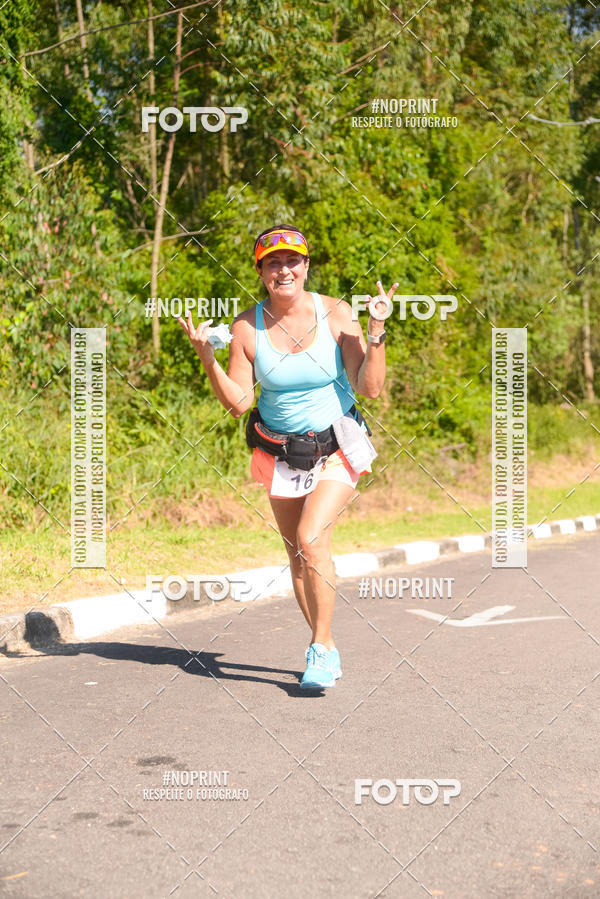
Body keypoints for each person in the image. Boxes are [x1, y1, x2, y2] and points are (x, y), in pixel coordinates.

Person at [179, 225, 397, 689]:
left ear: (306, 266)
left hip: (337, 443)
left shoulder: (336, 313)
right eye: (273, 262)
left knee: (311, 535)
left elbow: (370, 387)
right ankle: (329, 646)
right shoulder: (245, 326)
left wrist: (376, 333)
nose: (284, 269)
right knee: (299, 554)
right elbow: (238, 402)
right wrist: (207, 359)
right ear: (260, 271)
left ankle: (318, 649)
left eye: (292, 260)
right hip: (280, 452)